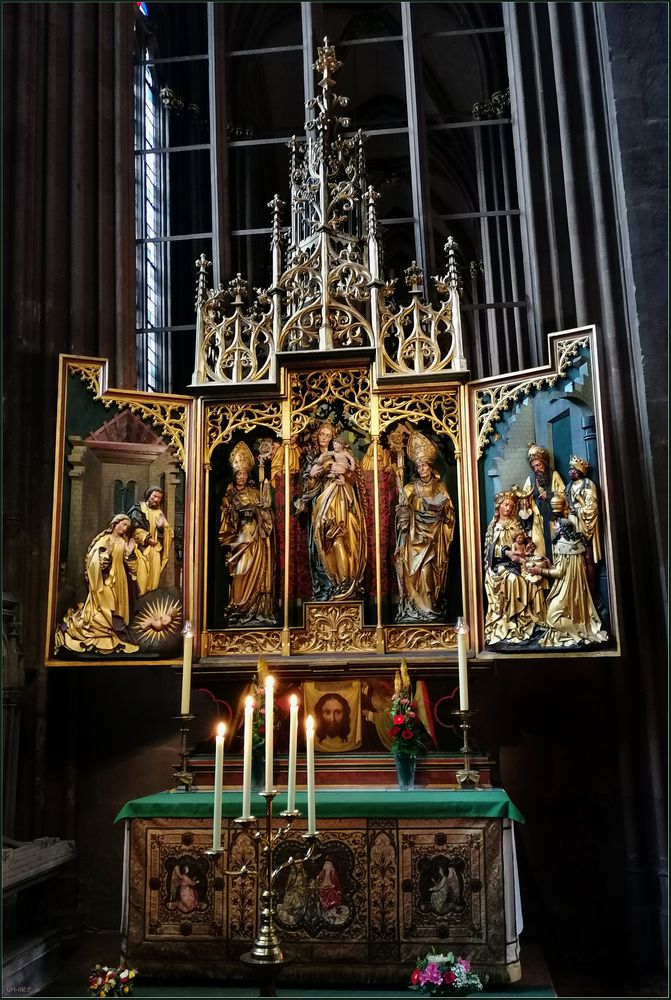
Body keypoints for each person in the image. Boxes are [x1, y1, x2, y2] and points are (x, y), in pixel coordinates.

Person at [295, 422, 367, 601]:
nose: (324, 438)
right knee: (321, 545)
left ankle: (343, 582)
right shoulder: (312, 458)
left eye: (328, 435)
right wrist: (311, 475)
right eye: (321, 434)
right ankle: (326, 586)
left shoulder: (342, 456)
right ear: (316, 436)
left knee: (340, 539)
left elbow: (356, 480)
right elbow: (305, 489)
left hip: (341, 503)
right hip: (319, 507)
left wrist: (346, 474)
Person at [55, 514, 140, 654]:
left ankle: (116, 633)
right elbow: (93, 564)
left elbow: (133, 567)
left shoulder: (125, 543)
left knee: (119, 608)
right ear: (115, 523)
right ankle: (105, 631)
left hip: (121, 581)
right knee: (105, 606)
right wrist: (106, 553)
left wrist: (130, 554)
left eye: (127, 527)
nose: (125, 528)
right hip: (105, 581)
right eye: (123, 524)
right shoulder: (103, 540)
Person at [394, 431, 455, 622]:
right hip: (414, 539)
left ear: (430, 466)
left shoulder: (440, 488)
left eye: (425, 465)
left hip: (433, 540)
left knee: (428, 573)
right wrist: (405, 514)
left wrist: (441, 510)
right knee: (413, 574)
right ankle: (413, 608)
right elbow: (401, 515)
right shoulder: (409, 489)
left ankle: (430, 608)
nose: (422, 469)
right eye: (419, 466)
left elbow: (449, 515)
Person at [525, 517, 608, 648]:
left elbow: (559, 573)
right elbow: (566, 569)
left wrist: (539, 570)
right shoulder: (576, 545)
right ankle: (578, 629)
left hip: (566, 589)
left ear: (562, 530)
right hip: (576, 589)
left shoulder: (562, 546)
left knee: (552, 617)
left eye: (556, 526)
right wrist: (549, 564)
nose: (554, 528)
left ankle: (577, 632)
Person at [218, 441, 276, 625]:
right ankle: (238, 608)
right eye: (238, 474)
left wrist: (260, 510)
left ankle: (258, 611)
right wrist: (236, 511)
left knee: (259, 573)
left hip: (256, 537)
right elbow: (226, 519)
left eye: (244, 473)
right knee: (240, 572)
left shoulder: (255, 492)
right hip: (240, 539)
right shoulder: (229, 495)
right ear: (234, 476)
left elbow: (267, 513)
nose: (241, 477)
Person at [483, 491, 547, 645]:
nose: (509, 508)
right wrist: (506, 552)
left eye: (511, 506)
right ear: (499, 506)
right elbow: (488, 551)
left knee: (535, 580)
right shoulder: (494, 526)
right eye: (506, 505)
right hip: (500, 566)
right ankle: (512, 622)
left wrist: (528, 547)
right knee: (513, 580)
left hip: (518, 563)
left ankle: (532, 621)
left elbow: (523, 541)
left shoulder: (515, 523)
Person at [564, 454, 602, 596]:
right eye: (569, 469)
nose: (570, 472)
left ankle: (592, 593)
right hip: (572, 524)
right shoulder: (568, 487)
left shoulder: (587, 484)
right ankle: (579, 592)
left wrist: (578, 510)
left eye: (572, 469)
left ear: (579, 470)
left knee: (587, 557)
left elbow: (592, 507)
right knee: (575, 559)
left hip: (584, 524)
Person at [519, 443, 565, 559]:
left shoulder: (554, 475)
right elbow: (524, 496)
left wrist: (549, 495)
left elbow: (565, 495)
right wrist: (524, 503)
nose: (537, 469)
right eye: (534, 467)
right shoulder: (530, 479)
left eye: (539, 465)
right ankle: (542, 574)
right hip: (536, 520)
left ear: (544, 463)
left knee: (555, 547)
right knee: (538, 548)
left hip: (552, 518)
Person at [128, 486, 174, 595]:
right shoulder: (138, 508)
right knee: (141, 580)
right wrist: (147, 538)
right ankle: (139, 605)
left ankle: (148, 605)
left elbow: (169, 533)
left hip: (155, 551)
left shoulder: (159, 513)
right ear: (149, 495)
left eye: (159, 498)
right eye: (154, 496)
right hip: (140, 550)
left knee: (154, 581)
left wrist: (161, 528)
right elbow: (134, 528)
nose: (156, 500)